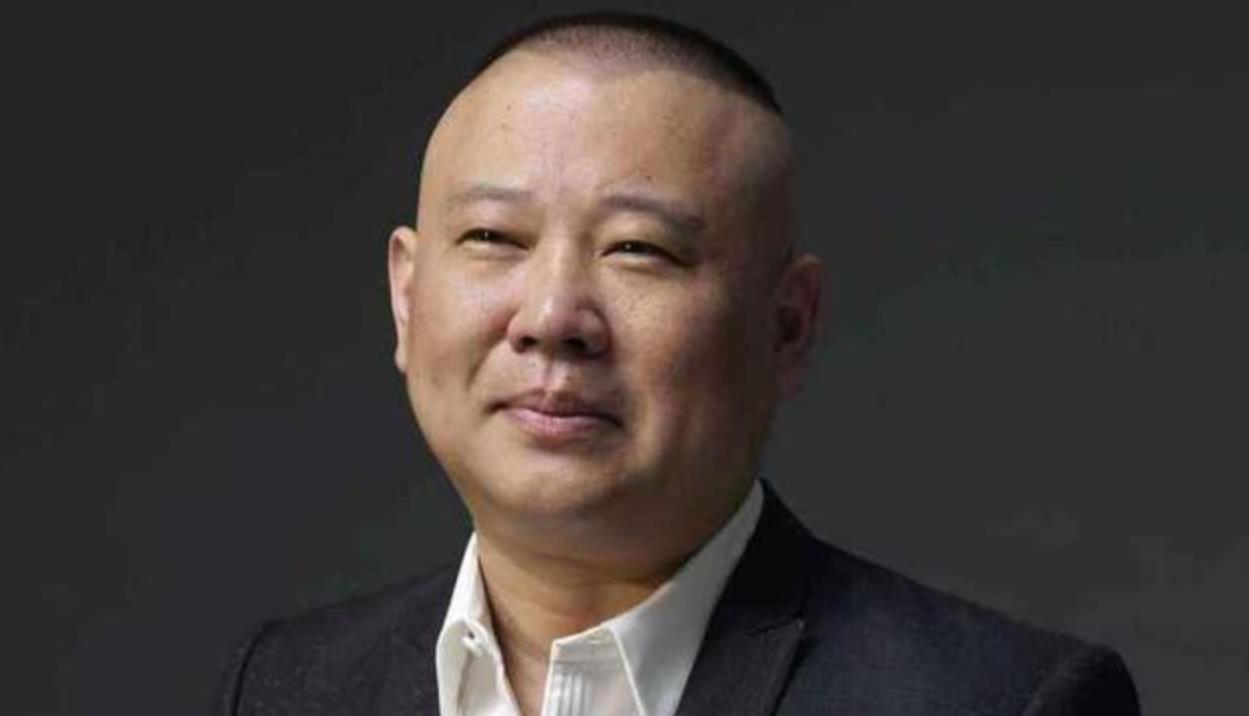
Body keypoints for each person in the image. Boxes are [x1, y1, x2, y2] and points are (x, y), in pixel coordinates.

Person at [218, 13, 1140, 716]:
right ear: (407, 297)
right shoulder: (289, 685)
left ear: (786, 327)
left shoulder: (995, 702)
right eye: (494, 237)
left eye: (638, 250)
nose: (551, 318)